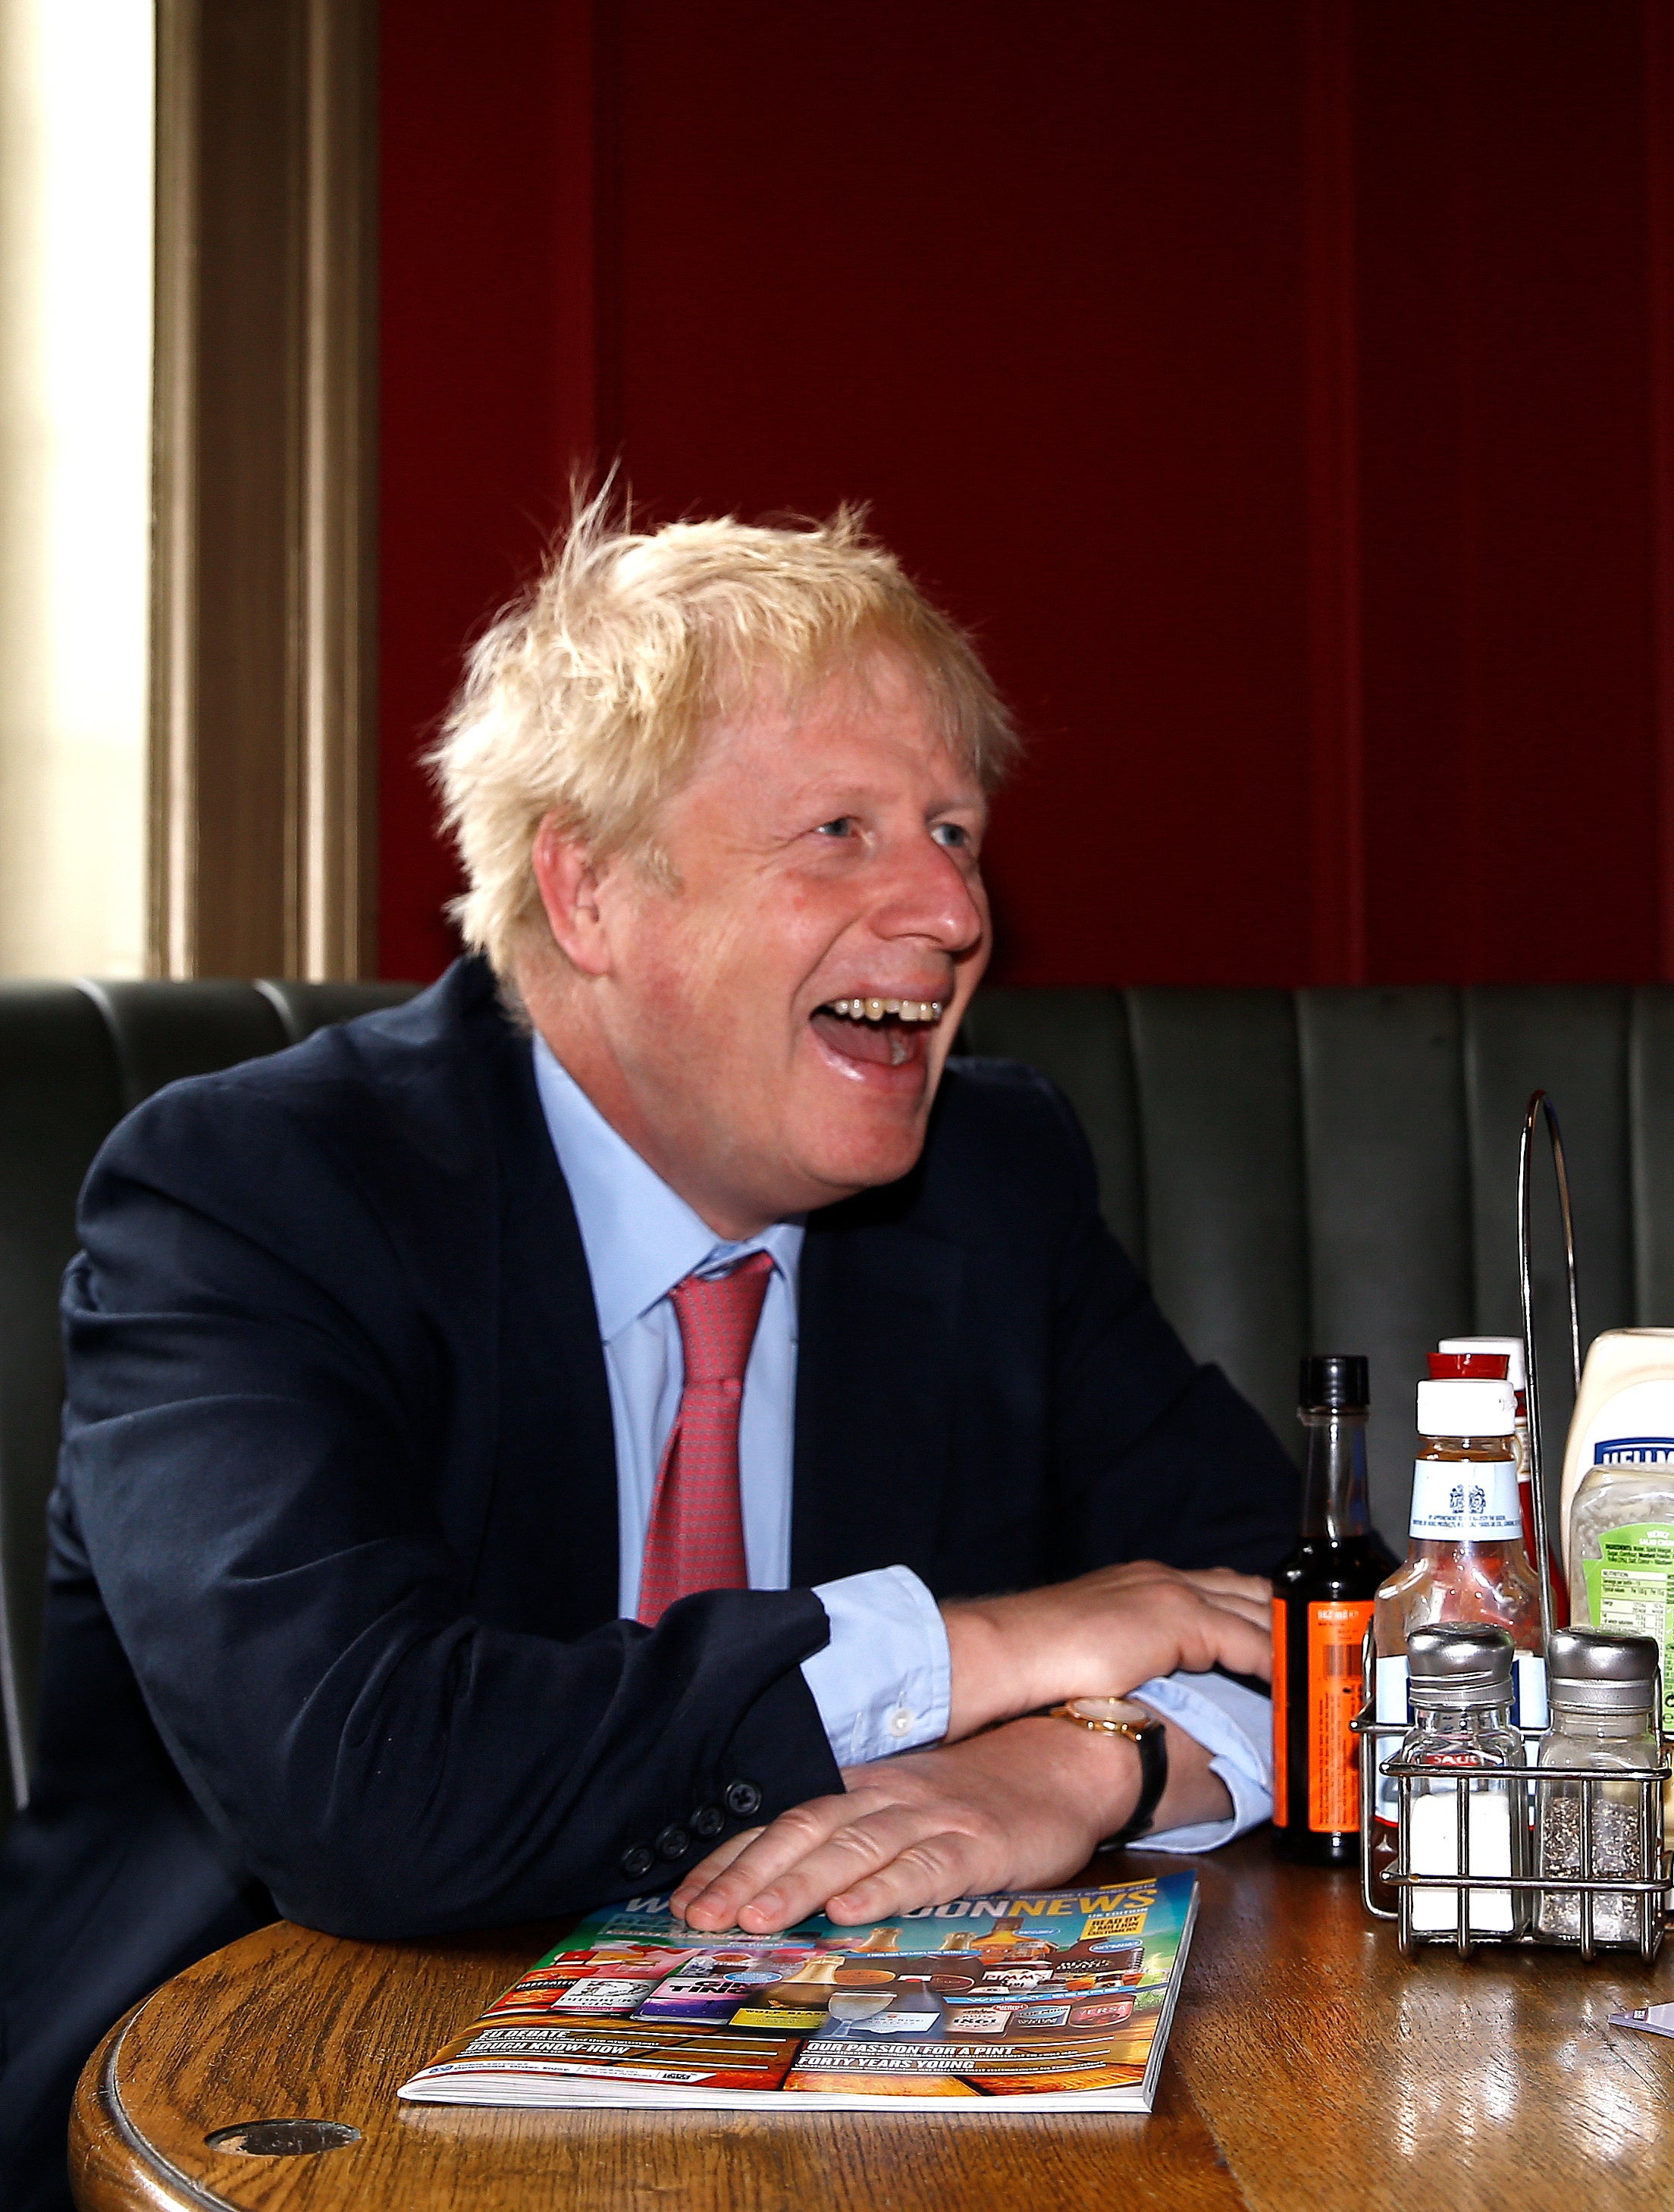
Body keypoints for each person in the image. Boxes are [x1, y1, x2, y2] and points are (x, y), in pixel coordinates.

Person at [0, 503, 1296, 2204]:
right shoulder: (255, 1194)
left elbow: (1290, 1595)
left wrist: (1086, 1757)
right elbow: (371, 1786)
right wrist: (971, 1647)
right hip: (264, 2115)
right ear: (589, 887)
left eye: (954, 831)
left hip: (845, 2132)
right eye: (839, 830)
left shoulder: (992, 1183)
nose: (949, 909)